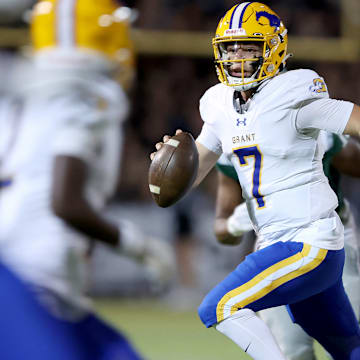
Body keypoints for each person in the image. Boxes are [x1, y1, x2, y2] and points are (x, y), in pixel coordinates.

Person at [150, 2, 360, 359]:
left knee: (219, 308)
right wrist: (164, 169)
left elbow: (354, 120)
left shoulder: (294, 95)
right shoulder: (218, 106)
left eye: (248, 47)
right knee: (349, 348)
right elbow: (188, 177)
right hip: (279, 245)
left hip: (309, 242)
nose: (237, 57)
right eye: (230, 48)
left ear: (273, 49)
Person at [0, 1, 173, 359]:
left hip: (28, 272)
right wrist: (137, 245)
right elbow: (65, 201)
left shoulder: (16, 91)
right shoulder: (89, 91)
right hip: (33, 273)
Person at [215, 132, 360, 360]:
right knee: (292, 350)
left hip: (332, 240)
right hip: (276, 247)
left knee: (350, 340)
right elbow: (221, 229)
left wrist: (335, 133)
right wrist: (234, 224)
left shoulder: (308, 123)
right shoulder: (232, 140)